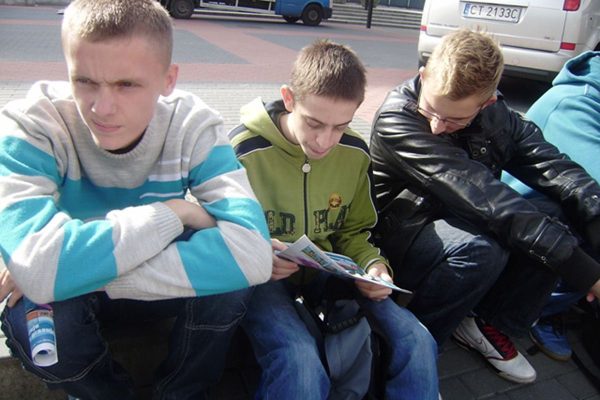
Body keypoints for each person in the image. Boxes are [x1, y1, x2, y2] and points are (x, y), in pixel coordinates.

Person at [0, 0, 272, 399]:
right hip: (81, 292)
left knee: (232, 286)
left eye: (126, 85)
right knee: (37, 331)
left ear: (168, 79)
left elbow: (253, 253)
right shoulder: (32, 124)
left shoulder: (192, 124)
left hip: (96, 275)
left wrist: (63, 272)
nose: (102, 108)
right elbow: (38, 268)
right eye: (84, 81)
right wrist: (175, 212)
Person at [369, 29, 600, 384]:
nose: (437, 126)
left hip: (465, 217)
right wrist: (588, 274)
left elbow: (554, 168)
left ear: (487, 102)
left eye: (455, 120)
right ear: (423, 75)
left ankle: (484, 322)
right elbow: (487, 198)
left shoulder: (499, 116)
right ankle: (412, 349)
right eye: (431, 110)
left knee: (557, 213)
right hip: (401, 236)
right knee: (482, 249)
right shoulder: (397, 120)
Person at [228, 40, 439, 399]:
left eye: (341, 126)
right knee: (299, 360)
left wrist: (374, 267)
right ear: (289, 98)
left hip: (332, 274)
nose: (325, 141)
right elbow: (216, 231)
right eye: (314, 123)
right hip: (262, 281)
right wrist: (259, 254)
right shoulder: (242, 150)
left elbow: (355, 231)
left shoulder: (354, 153)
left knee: (417, 339)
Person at [503, 51, 600, 361]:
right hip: (527, 221)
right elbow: (588, 191)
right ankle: (535, 311)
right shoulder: (574, 104)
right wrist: (590, 276)